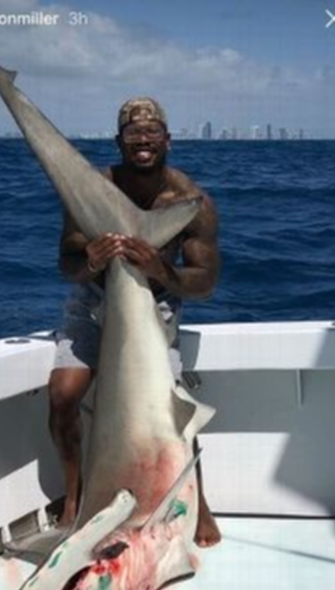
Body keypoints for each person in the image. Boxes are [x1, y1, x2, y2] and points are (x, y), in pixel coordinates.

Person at [48, 97, 223, 548]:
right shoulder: (92, 191)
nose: (142, 140)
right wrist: (90, 259)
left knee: (173, 409)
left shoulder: (191, 202)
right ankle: (76, 498)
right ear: (119, 140)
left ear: (167, 139)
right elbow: (67, 262)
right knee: (63, 397)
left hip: (155, 303)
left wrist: (159, 269)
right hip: (94, 295)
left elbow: (204, 281)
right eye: (132, 134)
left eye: (151, 133)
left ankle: (198, 501)